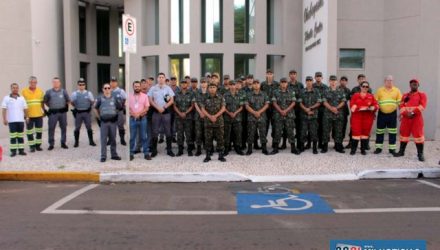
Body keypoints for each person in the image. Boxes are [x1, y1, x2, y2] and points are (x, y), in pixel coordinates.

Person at [394, 79, 427, 161]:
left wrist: (412, 113)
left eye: (415, 84)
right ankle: (401, 152)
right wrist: (405, 113)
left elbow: (422, 106)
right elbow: (401, 105)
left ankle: (420, 154)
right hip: (406, 119)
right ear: (410, 85)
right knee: (403, 135)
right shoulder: (405, 95)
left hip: (416, 119)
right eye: (412, 84)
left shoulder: (422, 95)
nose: (414, 85)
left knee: (419, 136)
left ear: (418, 85)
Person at [148, 72, 176, 157]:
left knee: (168, 131)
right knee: (155, 131)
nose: (161, 78)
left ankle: (169, 150)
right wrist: (157, 107)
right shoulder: (153, 88)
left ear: (164, 79)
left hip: (166, 112)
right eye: (159, 77)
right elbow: (150, 100)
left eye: (162, 77)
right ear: (157, 78)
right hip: (156, 112)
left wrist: (164, 107)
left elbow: (171, 100)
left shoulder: (168, 88)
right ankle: (154, 150)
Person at [374, 75, 402, 155]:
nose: (389, 82)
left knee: (393, 132)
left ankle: (392, 149)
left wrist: (401, 113)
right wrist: (374, 112)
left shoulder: (397, 90)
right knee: (379, 131)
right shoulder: (380, 90)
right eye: (388, 80)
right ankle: (378, 148)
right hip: (381, 114)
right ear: (384, 81)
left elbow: (400, 103)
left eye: (391, 80)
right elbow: (375, 102)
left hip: (392, 115)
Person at [95, 83, 122, 162]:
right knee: (103, 140)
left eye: (108, 88)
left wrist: (115, 114)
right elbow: (95, 108)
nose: (107, 90)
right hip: (104, 122)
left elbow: (119, 107)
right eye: (105, 88)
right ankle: (103, 156)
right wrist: (99, 117)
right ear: (103, 89)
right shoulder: (100, 98)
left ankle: (114, 155)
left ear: (111, 89)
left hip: (113, 122)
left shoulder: (114, 98)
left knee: (113, 139)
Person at [271, 77, 299, 155]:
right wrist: (280, 111)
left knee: (290, 131)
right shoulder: (275, 92)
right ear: (280, 83)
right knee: (277, 131)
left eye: (285, 82)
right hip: (278, 115)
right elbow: (274, 102)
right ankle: (275, 148)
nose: (283, 83)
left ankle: (293, 148)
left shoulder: (291, 92)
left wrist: (285, 111)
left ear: (287, 83)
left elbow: (293, 103)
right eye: (282, 82)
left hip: (289, 115)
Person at [349, 81, 378, 155]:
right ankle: (353, 150)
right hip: (357, 118)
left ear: (368, 88)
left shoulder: (371, 96)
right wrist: (360, 108)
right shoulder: (355, 95)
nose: (365, 88)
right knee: (356, 133)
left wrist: (373, 107)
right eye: (363, 86)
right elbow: (352, 106)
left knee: (365, 134)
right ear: (360, 87)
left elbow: (376, 105)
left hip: (367, 118)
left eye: (366, 87)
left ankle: (363, 150)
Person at [201, 82, 226, 163]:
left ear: (216, 88)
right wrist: (210, 116)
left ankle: (221, 155)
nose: (212, 88)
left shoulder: (221, 97)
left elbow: (223, 108)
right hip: (208, 122)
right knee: (208, 139)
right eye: (211, 87)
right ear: (208, 88)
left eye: (213, 87)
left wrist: (215, 116)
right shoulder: (204, 97)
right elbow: (203, 109)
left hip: (219, 122)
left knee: (220, 139)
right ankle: (208, 156)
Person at [245, 79, 271, 155]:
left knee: (263, 133)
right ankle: (249, 149)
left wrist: (259, 112)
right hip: (251, 117)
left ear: (260, 85)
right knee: (251, 133)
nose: (256, 85)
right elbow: (246, 106)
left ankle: (264, 149)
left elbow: (267, 105)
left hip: (262, 117)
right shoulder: (248, 94)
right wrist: (254, 112)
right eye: (254, 83)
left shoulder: (264, 94)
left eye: (257, 83)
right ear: (252, 85)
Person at [2, 83, 29, 156]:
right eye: (13, 88)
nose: (15, 89)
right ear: (11, 89)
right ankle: (13, 151)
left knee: (20, 136)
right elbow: (4, 109)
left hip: (20, 121)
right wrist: (4, 119)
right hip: (12, 121)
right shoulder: (6, 98)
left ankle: (21, 151)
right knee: (13, 137)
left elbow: (25, 109)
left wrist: (27, 117)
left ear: (18, 89)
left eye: (16, 88)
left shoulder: (22, 98)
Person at [322, 75, 346, 153]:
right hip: (328, 114)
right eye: (331, 80)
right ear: (329, 81)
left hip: (338, 114)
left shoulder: (341, 91)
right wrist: (332, 109)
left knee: (338, 130)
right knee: (326, 130)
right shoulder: (325, 90)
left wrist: (336, 108)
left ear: (337, 81)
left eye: (334, 80)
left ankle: (338, 146)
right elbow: (324, 102)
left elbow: (343, 101)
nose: (333, 82)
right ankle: (325, 146)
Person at [44, 77, 70, 150]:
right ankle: (51, 144)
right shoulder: (48, 92)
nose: (56, 83)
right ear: (52, 83)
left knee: (64, 128)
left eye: (57, 82)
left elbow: (68, 100)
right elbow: (45, 101)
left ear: (60, 83)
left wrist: (65, 107)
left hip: (62, 113)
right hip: (53, 113)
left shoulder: (64, 91)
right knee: (51, 128)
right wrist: (51, 106)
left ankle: (63, 142)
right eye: (54, 82)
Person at [298, 76, 322, 154]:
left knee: (314, 132)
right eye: (307, 80)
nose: (309, 82)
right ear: (305, 82)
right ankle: (301, 147)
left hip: (313, 115)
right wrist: (306, 110)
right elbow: (300, 102)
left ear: (312, 81)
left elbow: (319, 102)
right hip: (304, 115)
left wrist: (310, 109)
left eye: (310, 80)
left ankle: (314, 148)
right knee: (303, 132)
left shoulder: (316, 91)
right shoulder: (302, 91)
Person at [70, 78, 96, 148]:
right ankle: (76, 142)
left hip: (86, 113)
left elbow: (92, 101)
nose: (81, 86)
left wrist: (89, 107)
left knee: (89, 127)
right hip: (78, 113)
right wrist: (76, 106)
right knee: (77, 127)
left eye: (83, 84)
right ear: (78, 85)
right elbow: (71, 102)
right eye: (80, 84)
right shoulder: (74, 93)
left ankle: (91, 141)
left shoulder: (89, 93)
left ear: (85, 85)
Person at [21, 76, 45, 152]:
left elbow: (42, 102)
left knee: (39, 131)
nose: (33, 84)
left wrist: (44, 111)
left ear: (36, 83)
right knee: (29, 132)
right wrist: (25, 115)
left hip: (39, 115)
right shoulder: (24, 91)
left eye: (34, 82)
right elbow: (22, 104)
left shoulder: (40, 91)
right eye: (31, 82)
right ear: (29, 83)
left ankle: (38, 146)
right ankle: (32, 146)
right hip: (29, 116)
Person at [129, 81, 151, 161]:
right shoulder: (129, 96)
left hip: (142, 119)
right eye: (135, 86)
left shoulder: (145, 96)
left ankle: (146, 153)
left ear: (140, 87)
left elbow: (147, 108)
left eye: (138, 86)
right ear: (133, 87)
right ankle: (130, 153)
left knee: (144, 137)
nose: (137, 88)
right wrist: (133, 114)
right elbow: (127, 108)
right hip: (132, 119)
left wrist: (139, 114)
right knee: (132, 137)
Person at [174, 79, 195, 156]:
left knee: (188, 133)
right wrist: (180, 113)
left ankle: (189, 149)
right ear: (180, 85)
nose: (183, 85)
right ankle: (180, 149)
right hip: (178, 117)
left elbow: (192, 105)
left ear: (187, 85)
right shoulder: (176, 94)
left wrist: (185, 113)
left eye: (185, 83)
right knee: (179, 133)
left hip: (188, 117)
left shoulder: (191, 93)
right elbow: (174, 105)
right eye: (182, 83)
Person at [223, 80, 245, 156]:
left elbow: (241, 107)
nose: (232, 86)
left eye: (234, 85)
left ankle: (237, 147)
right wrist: (229, 113)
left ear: (236, 86)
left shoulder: (240, 95)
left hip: (237, 118)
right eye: (231, 85)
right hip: (227, 118)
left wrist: (235, 113)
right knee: (227, 134)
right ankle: (226, 148)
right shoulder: (225, 95)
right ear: (229, 86)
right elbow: (223, 107)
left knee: (238, 133)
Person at [261, 69, 279, 148]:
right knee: (265, 126)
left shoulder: (277, 84)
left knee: (275, 126)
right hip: (265, 109)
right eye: (268, 73)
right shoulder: (263, 84)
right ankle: (263, 143)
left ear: (273, 75)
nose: (269, 75)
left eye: (271, 73)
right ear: (266, 75)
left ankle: (275, 143)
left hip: (274, 108)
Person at [288, 70, 304, 150]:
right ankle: (285, 143)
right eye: (291, 74)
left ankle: (299, 144)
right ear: (289, 75)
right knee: (289, 127)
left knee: (299, 127)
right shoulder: (287, 85)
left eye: (294, 74)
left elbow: (302, 96)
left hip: (298, 109)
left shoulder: (300, 85)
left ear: (296, 75)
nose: (293, 75)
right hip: (289, 110)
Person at [313, 72, 329, 149]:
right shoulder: (312, 86)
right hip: (314, 109)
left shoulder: (326, 87)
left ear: (322, 78)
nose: (318, 77)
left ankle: (320, 143)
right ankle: (311, 143)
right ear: (315, 77)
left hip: (323, 110)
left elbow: (327, 98)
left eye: (320, 76)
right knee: (313, 127)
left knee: (322, 127)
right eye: (317, 76)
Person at [193, 78, 209, 156]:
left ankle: (207, 148)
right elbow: (195, 104)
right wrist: (200, 112)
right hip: (198, 116)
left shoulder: (210, 92)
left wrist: (205, 113)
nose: (203, 84)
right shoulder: (196, 92)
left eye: (204, 82)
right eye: (202, 82)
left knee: (207, 132)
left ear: (207, 83)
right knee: (198, 133)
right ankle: (198, 149)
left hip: (207, 116)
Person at [110, 77, 127, 146]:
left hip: (119, 111)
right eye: (112, 82)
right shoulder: (108, 90)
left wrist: (123, 107)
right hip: (110, 111)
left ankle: (122, 139)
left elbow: (125, 99)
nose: (113, 83)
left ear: (116, 83)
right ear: (110, 82)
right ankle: (110, 140)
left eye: (114, 82)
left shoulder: (121, 91)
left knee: (121, 126)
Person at [337, 76, 351, 147]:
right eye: (342, 80)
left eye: (345, 80)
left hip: (344, 111)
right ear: (340, 81)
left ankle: (340, 142)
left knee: (343, 127)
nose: (343, 82)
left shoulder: (348, 90)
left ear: (347, 82)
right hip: (336, 110)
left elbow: (350, 100)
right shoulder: (336, 89)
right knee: (336, 128)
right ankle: (336, 143)